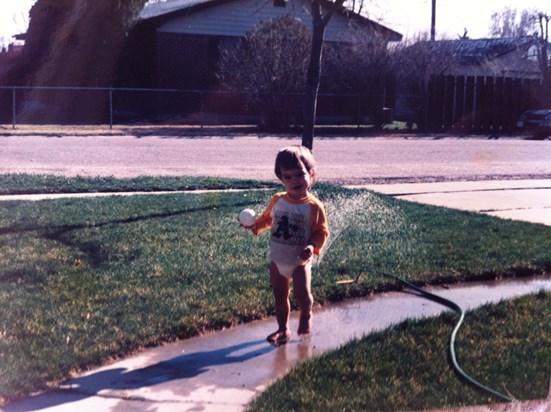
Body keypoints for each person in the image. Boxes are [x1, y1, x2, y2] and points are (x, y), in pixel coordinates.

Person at [241, 145, 329, 345]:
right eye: (287, 177)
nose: (294, 180)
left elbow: (321, 232)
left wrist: (311, 247)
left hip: (300, 261)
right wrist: (255, 225)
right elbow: (267, 219)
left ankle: (306, 313)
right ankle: (283, 329)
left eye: (300, 174)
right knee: (280, 295)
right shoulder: (278, 200)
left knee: (302, 294)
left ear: (311, 174)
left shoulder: (314, 206)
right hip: (278, 258)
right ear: (281, 179)